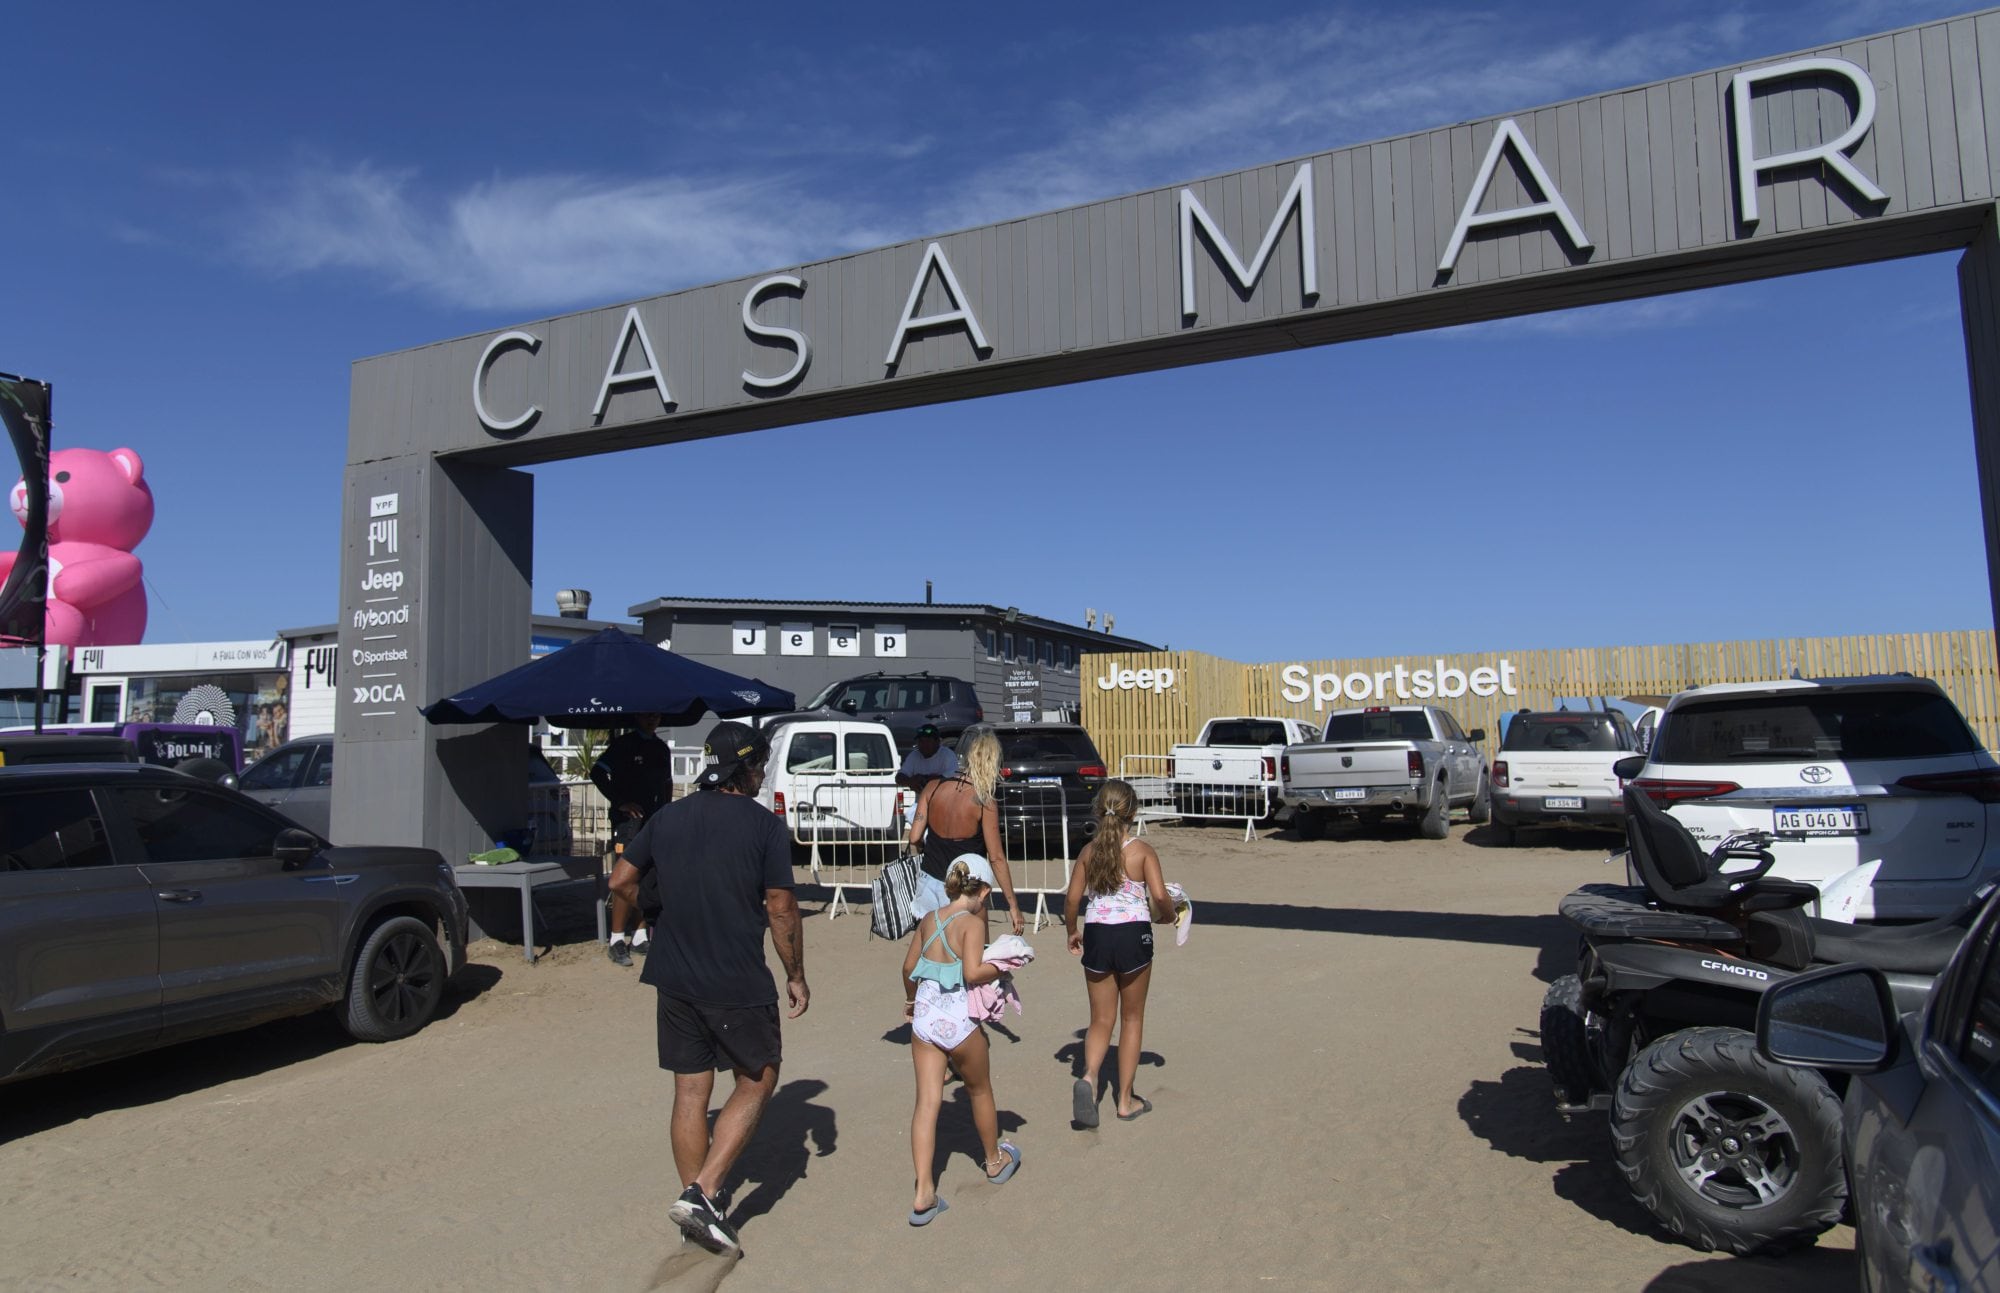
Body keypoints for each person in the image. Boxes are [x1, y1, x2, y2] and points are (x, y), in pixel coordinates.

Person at [608, 720, 807, 1257]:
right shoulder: (764, 827)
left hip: (673, 974)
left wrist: (652, 913)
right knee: (760, 1075)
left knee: (691, 1093)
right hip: (734, 976)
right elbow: (782, 907)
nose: (764, 772)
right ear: (745, 769)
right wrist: (795, 974)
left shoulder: (667, 817)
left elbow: (619, 881)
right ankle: (704, 1193)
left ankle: (695, 1208)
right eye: (760, 764)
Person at [901, 853, 1021, 1225]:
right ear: (983, 890)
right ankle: (993, 1159)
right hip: (958, 1019)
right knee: (979, 1089)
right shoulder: (972, 923)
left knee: (927, 1102)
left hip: (925, 1016)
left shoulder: (929, 919)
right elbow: (972, 971)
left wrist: (910, 999)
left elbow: (908, 968)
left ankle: (923, 1192)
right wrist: (1007, 962)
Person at [1063, 778, 1175, 1127]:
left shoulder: (1089, 851)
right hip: (1132, 935)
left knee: (1100, 1019)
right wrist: (1171, 915)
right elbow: (1158, 896)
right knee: (1132, 1018)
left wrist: (1071, 930)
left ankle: (1089, 1077)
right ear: (1134, 812)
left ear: (1099, 810)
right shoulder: (1142, 851)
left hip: (1097, 932)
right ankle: (1125, 1101)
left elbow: (1071, 899)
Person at [905, 727, 1024, 935]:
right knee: (972, 956)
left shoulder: (932, 787)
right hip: (964, 887)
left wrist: (927, 847)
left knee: (930, 951)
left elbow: (914, 837)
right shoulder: (983, 800)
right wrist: (1013, 906)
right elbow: (996, 858)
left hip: (929, 879)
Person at [591, 713, 673, 965]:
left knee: (648, 877)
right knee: (624, 876)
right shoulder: (623, 745)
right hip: (627, 824)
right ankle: (616, 939)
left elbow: (667, 784)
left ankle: (639, 936)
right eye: (647, 715)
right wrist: (621, 802)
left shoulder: (661, 748)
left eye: (656, 715)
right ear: (637, 716)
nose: (652, 720)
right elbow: (597, 773)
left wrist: (666, 813)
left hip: (654, 822)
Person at [895, 723, 958, 793]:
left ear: (937, 742)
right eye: (921, 741)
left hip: (943, 801)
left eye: (928, 741)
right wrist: (911, 781)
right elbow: (899, 777)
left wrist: (924, 779)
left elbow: (951, 778)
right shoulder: (914, 755)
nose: (924, 745)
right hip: (921, 801)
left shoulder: (947, 755)